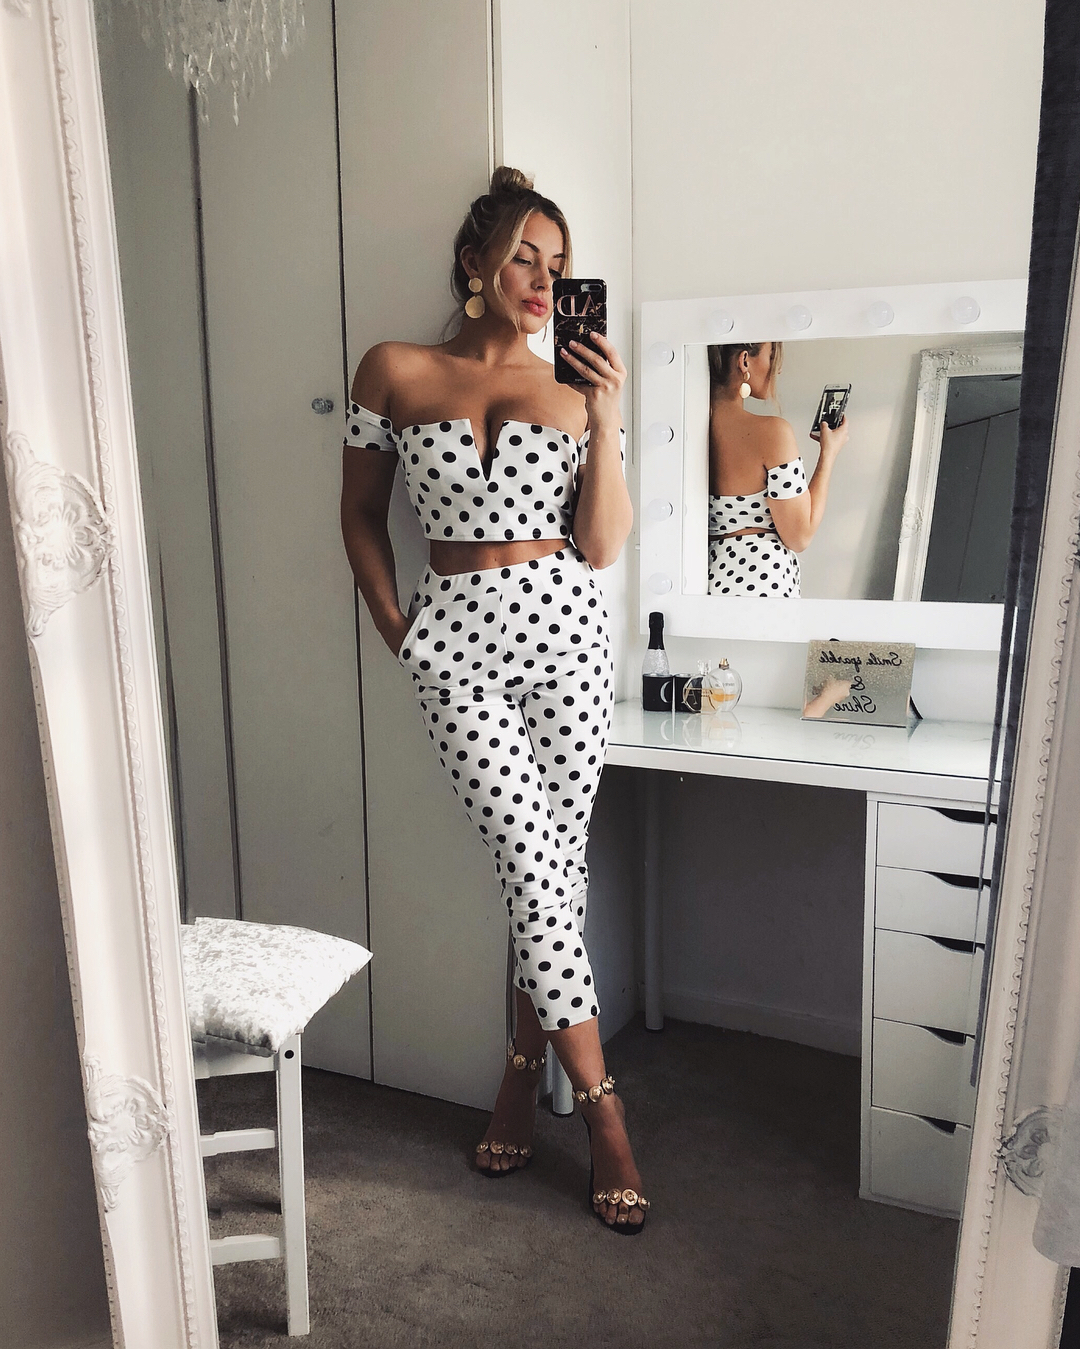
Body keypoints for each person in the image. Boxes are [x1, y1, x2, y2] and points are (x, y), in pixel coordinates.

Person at [339, 167, 647, 1232]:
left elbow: (601, 544)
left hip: (568, 638)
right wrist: (399, 629)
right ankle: (605, 1111)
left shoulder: (574, 385)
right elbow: (360, 514)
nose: (544, 282)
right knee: (533, 861)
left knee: (545, 874)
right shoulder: (393, 370)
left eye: (558, 266)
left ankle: (523, 1070)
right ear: (475, 263)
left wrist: (606, 414)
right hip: (454, 645)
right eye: (525, 257)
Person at [707, 342, 848, 597]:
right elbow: (799, 536)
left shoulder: (690, 428)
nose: (778, 369)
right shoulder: (772, 433)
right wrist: (828, 454)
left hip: (713, 575)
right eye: (771, 356)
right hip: (761, 577)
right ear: (744, 361)